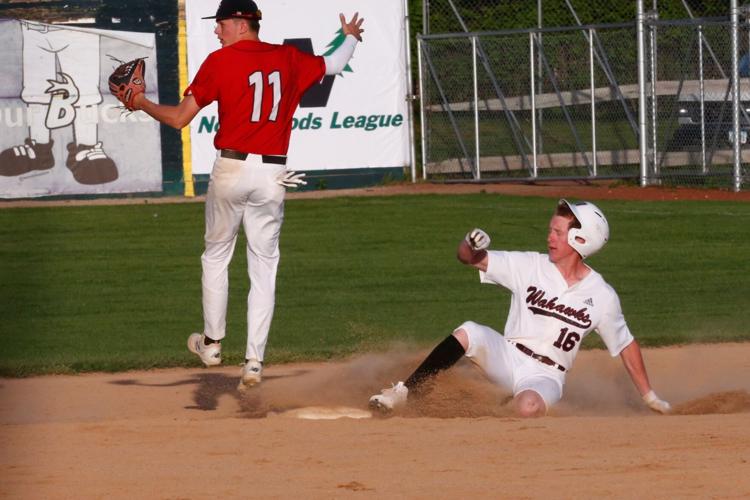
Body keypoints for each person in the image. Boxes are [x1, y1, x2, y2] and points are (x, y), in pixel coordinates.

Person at [128, 0, 364, 389]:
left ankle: (212, 343)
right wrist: (351, 37)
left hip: (231, 168)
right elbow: (334, 63)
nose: (217, 31)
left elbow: (178, 118)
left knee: (217, 255)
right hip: (273, 173)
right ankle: (254, 361)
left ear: (240, 24)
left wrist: (140, 102)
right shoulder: (289, 57)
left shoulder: (220, 62)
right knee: (263, 267)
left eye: (220, 24)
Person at [369, 199, 672, 417]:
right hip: (509, 355)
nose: (549, 237)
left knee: (527, 407)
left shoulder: (602, 296)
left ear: (581, 239)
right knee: (469, 331)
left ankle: (501, 404)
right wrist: (470, 244)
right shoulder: (529, 265)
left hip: (546, 376)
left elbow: (625, 344)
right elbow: (468, 258)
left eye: (557, 232)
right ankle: (405, 392)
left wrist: (648, 396)